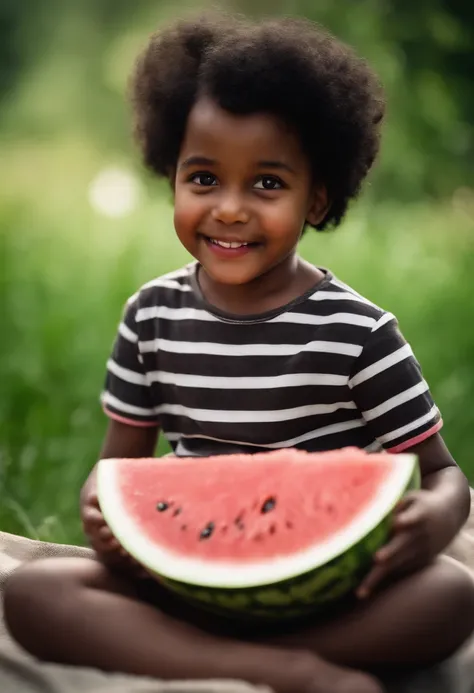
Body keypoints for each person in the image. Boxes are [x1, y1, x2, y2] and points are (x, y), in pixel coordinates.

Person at [4, 12, 474, 693]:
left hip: (334, 585)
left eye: (266, 184)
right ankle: (278, 668)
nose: (228, 209)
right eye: (203, 179)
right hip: (184, 574)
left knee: (449, 598)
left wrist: (433, 518)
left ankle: (215, 653)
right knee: (34, 594)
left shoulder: (360, 331)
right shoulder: (150, 316)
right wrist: (98, 510)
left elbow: (445, 476)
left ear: (318, 196)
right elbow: (117, 469)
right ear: (172, 175)